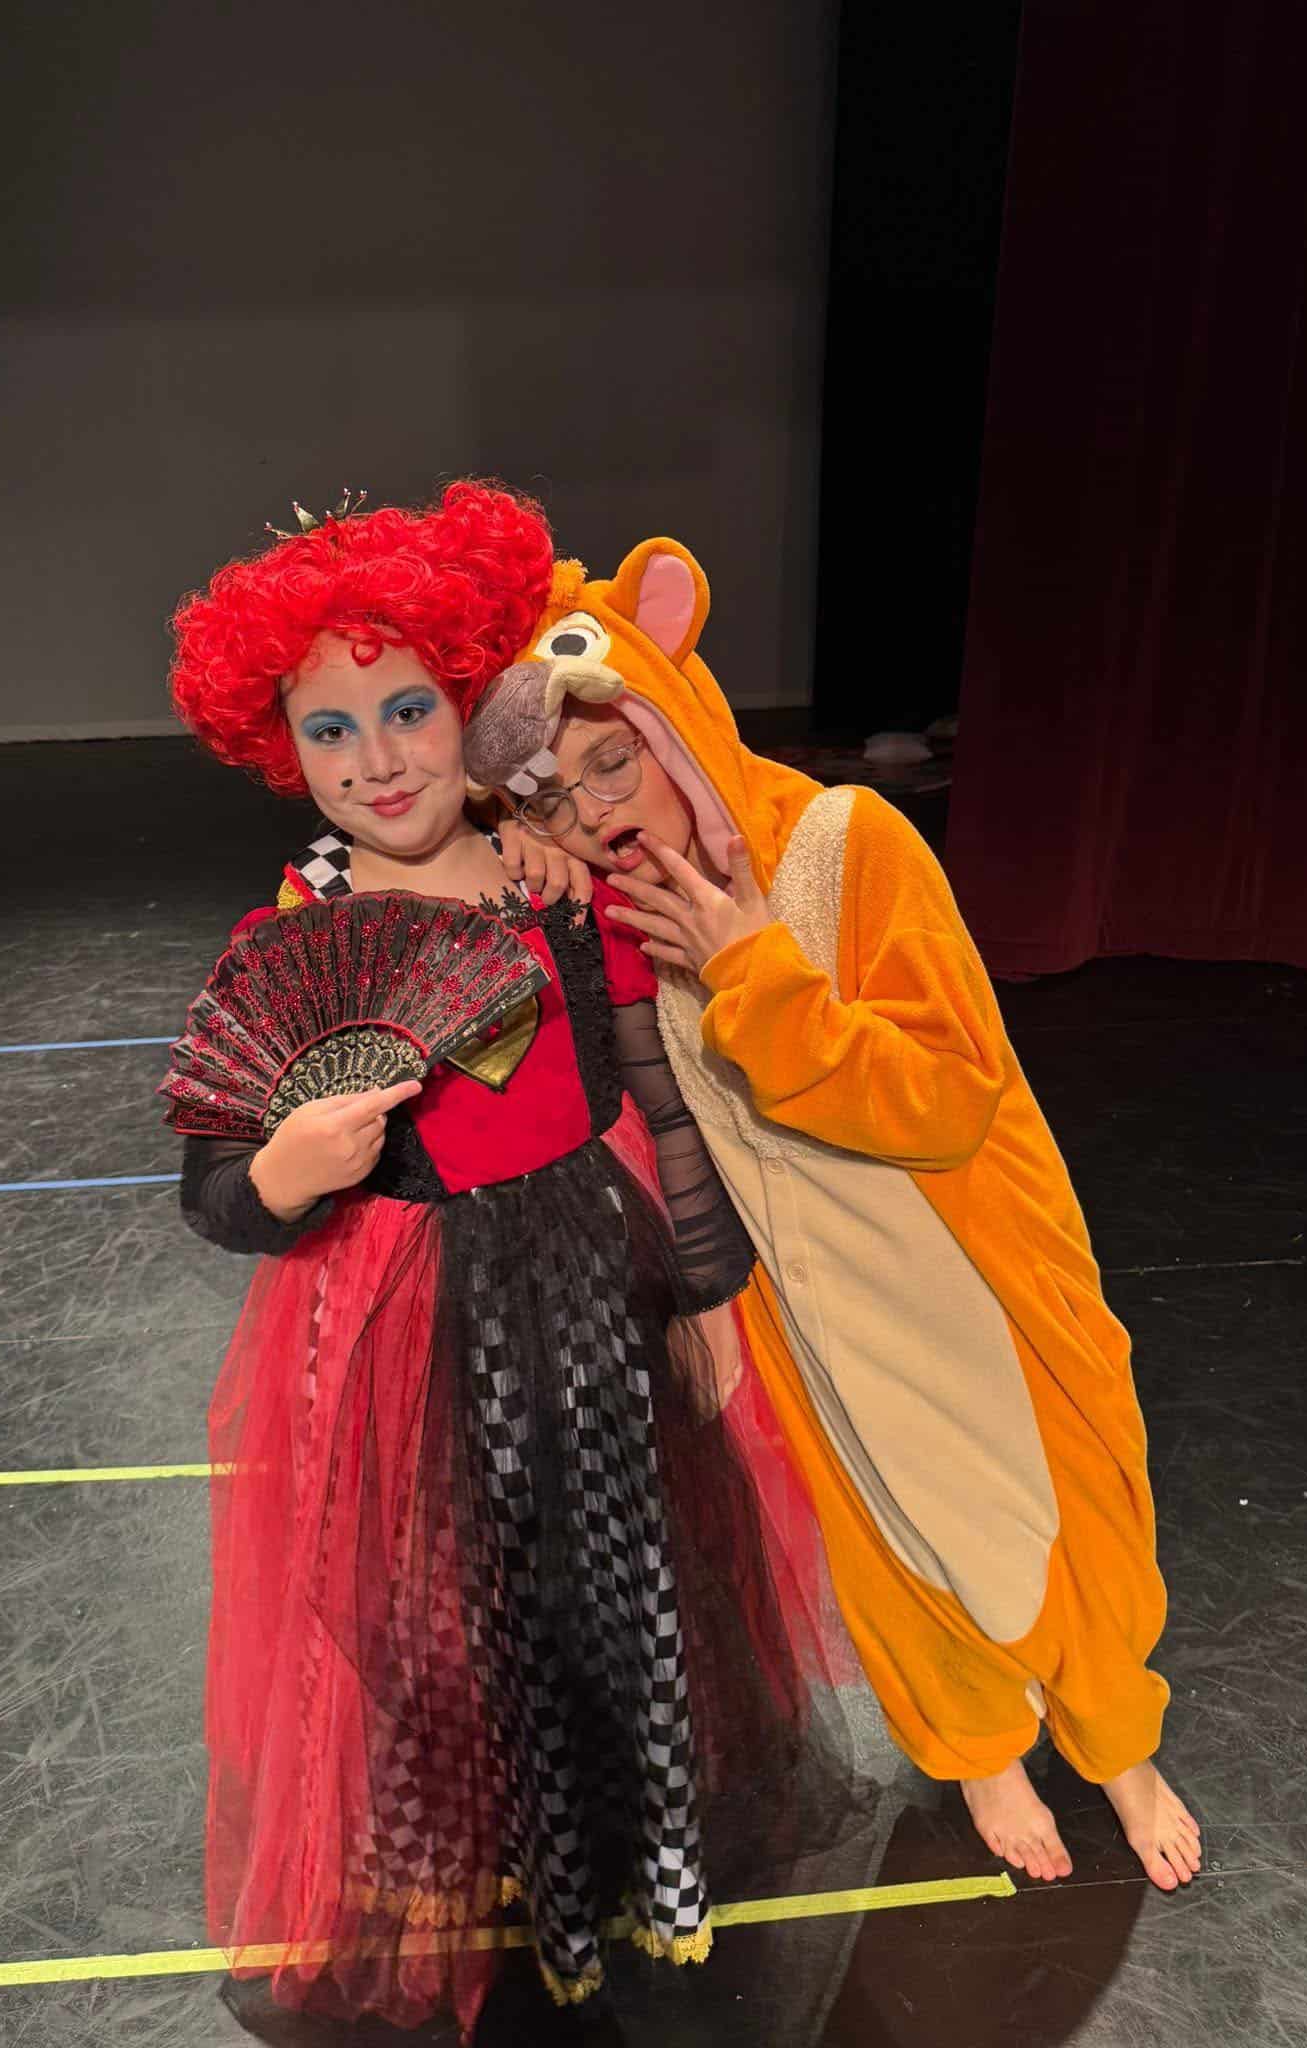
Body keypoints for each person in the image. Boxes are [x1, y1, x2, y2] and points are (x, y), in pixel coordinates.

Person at [164, 485, 848, 2045]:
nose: (379, 759)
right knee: (430, 1620)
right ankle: (465, 1859)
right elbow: (214, 1190)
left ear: (467, 704)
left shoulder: (553, 887)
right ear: (283, 750)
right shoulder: (294, 933)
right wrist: (284, 1171)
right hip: (402, 1329)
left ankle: (611, 1840)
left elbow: (647, 1087)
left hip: (593, 1294)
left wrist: (703, 1287)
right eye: (331, 731)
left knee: (616, 1578)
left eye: (409, 710)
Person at [464, 533, 1204, 1894]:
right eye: (552, 798)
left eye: (612, 762)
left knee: (1065, 1512)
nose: (594, 813)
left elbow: (947, 1097)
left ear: (669, 721)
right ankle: (980, 1749)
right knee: (889, 1529)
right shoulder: (612, 925)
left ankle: (1118, 1742)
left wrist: (754, 974)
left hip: (966, 1267)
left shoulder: (846, 843)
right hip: (810, 1304)